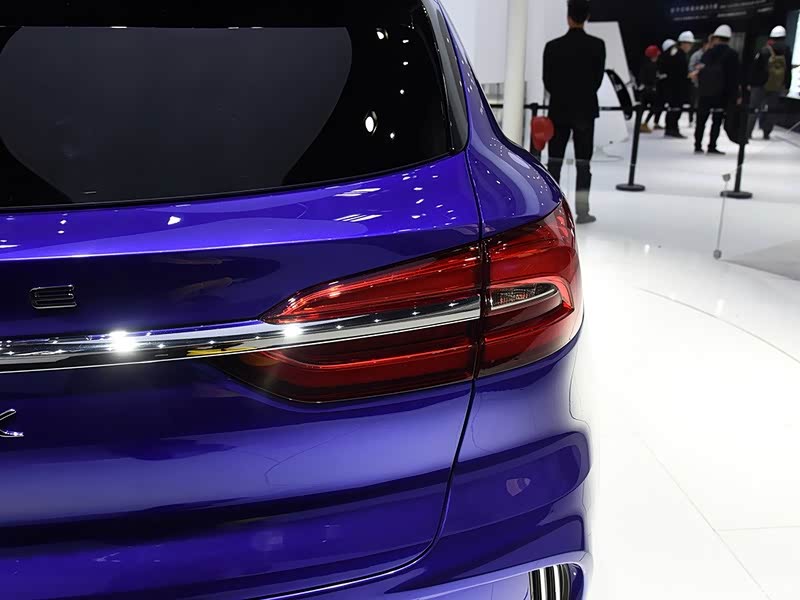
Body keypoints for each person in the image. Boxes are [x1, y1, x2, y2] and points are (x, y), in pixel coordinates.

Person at [543, 0, 606, 225]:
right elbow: (597, 81)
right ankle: (582, 211)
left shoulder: (553, 46)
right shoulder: (597, 45)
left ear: (568, 17)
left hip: (559, 109)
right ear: (587, 17)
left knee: (554, 163)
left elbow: (548, 81)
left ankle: (551, 211)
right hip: (585, 110)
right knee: (583, 163)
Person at [694, 25, 741, 155]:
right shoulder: (732, 54)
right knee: (717, 120)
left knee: (701, 120)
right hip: (722, 94)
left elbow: (700, 71)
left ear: (716, 38)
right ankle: (712, 146)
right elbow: (734, 77)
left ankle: (697, 145)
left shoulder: (708, 53)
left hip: (705, 93)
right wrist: (735, 95)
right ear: (728, 39)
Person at [748, 26, 793, 140]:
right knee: (771, 110)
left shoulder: (765, 50)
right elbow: (788, 70)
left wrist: (750, 83)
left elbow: (755, 68)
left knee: (753, 108)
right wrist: (787, 85)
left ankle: (748, 132)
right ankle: (766, 132)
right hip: (776, 85)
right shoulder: (786, 51)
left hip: (759, 85)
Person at [663, 31, 695, 137]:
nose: (690, 47)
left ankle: (670, 128)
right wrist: (690, 75)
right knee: (676, 108)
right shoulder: (679, 55)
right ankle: (673, 129)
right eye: (689, 44)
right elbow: (680, 73)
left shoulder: (675, 53)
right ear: (684, 43)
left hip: (673, 86)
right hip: (677, 88)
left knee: (673, 108)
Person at [688, 36, 712, 124]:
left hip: (706, 83)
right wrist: (697, 70)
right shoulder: (696, 55)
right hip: (696, 82)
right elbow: (691, 67)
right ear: (705, 45)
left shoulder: (711, 55)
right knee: (693, 101)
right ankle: (691, 119)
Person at [639, 45, 661, 133]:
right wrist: (658, 78)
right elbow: (651, 78)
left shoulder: (645, 65)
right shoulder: (652, 66)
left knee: (643, 107)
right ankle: (644, 123)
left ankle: (640, 124)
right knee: (655, 106)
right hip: (650, 90)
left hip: (645, 90)